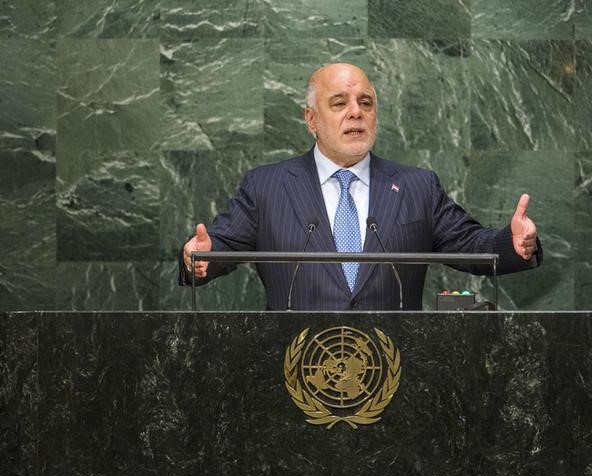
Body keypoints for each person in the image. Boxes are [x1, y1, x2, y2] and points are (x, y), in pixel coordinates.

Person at [180, 63, 542, 310]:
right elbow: (216, 250)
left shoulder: (417, 186)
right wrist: (199, 257)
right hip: (294, 375)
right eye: (339, 103)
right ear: (311, 119)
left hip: (396, 373)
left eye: (365, 103)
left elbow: (472, 246)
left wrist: (512, 244)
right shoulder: (267, 186)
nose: (356, 112)